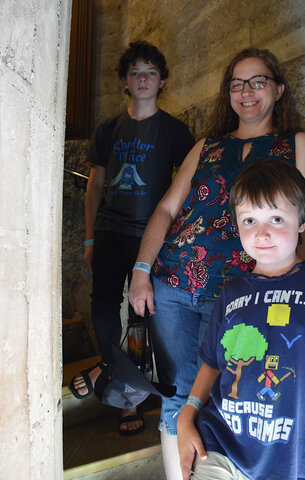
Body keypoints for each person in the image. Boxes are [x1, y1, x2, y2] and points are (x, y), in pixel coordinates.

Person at [129, 47, 305, 477]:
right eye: (237, 84)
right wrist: (141, 271)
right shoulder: (207, 146)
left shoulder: (296, 144)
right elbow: (166, 210)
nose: (246, 92)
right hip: (175, 285)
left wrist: (293, 290)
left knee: (232, 396)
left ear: (279, 89)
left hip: (240, 296)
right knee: (178, 396)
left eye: (257, 82)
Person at [69, 41, 195, 436]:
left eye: (150, 73)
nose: (143, 79)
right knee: (105, 308)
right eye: (135, 73)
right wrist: (89, 238)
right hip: (109, 231)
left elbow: (189, 186)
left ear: (163, 80)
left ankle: (129, 398)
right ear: (124, 81)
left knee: (141, 318)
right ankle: (112, 371)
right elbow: (94, 185)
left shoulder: (175, 130)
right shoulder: (109, 129)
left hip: (151, 237)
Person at [177, 159, 305, 480]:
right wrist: (186, 416)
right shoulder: (232, 292)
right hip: (221, 442)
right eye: (250, 220)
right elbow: (213, 363)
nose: (262, 233)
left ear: (303, 219)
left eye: (277, 218)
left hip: (296, 455)